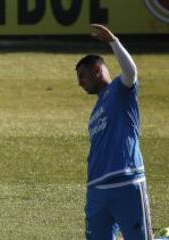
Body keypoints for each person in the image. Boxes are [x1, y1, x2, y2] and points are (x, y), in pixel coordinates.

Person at [76, 24, 153, 240]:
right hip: (96, 189)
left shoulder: (121, 90)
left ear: (97, 70)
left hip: (126, 182)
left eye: (82, 76)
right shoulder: (94, 113)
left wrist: (113, 41)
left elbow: (131, 72)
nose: (79, 83)